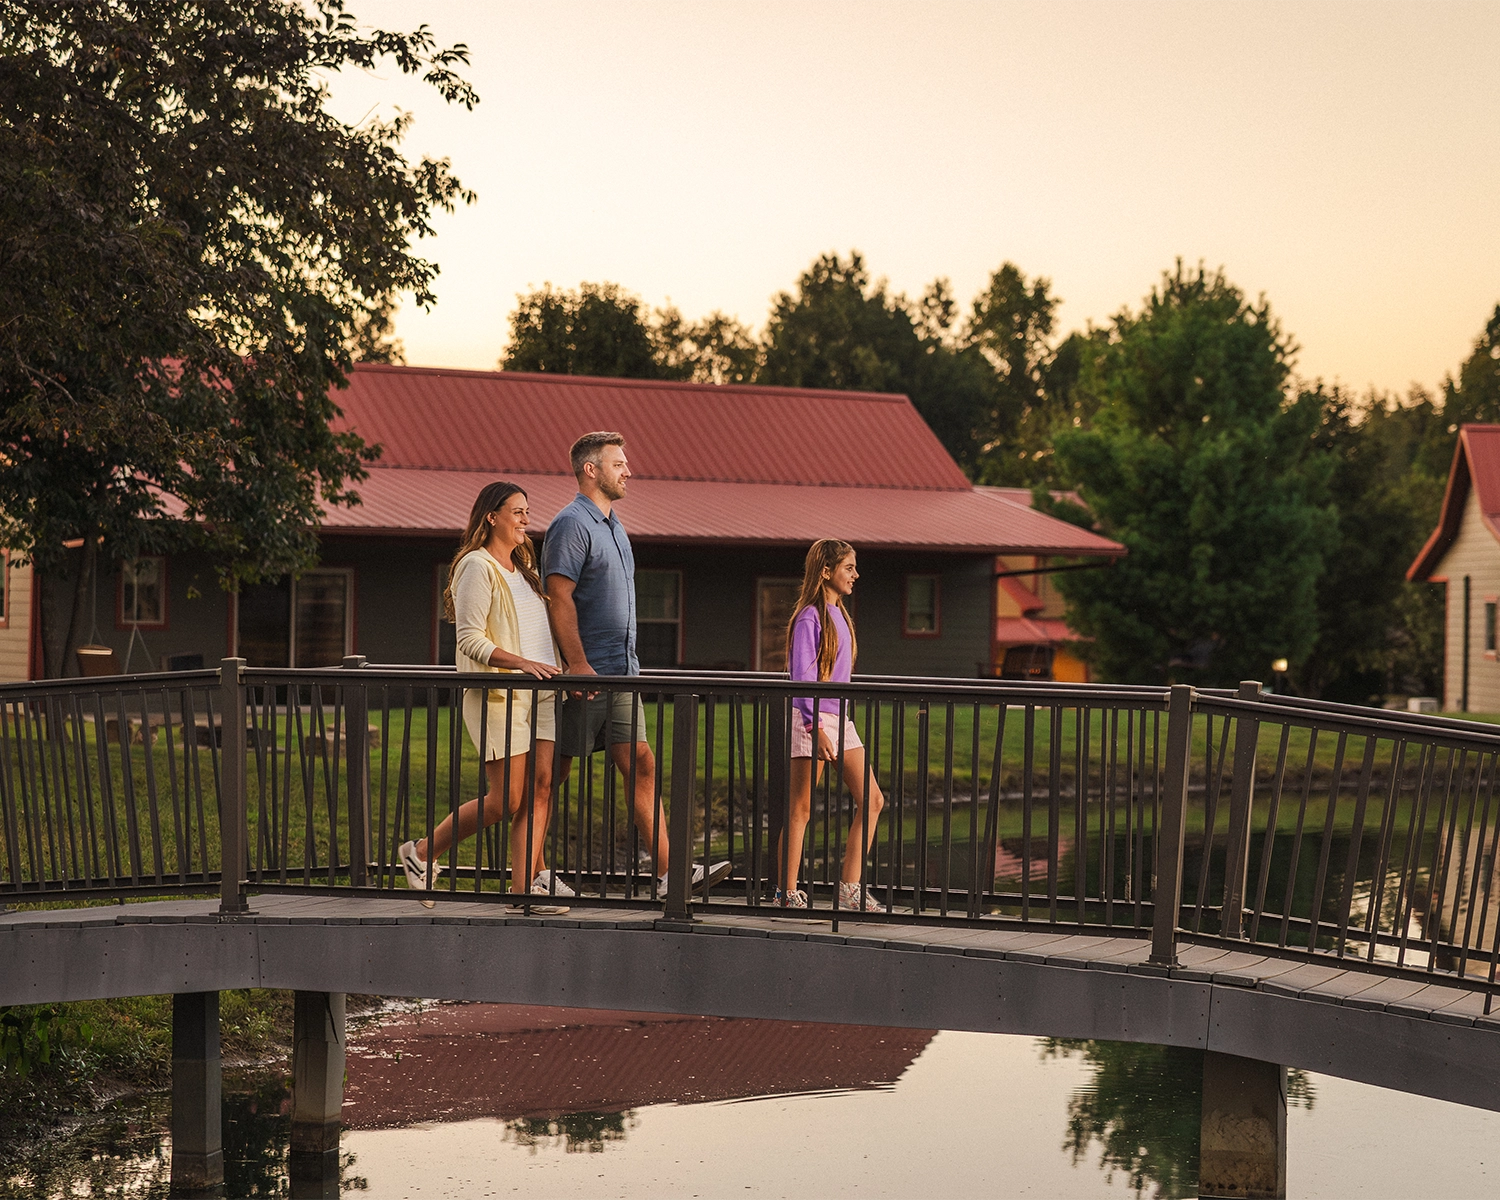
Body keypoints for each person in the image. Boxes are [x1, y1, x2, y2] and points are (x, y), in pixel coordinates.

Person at [543, 431, 731, 899]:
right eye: (619, 463)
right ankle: (531, 872)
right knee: (550, 776)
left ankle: (671, 874)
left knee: (641, 764)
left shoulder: (615, 527)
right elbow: (559, 596)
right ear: (592, 470)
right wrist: (577, 664)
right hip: (588, 677)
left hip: (623, 674)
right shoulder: (572, 523)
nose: (629, 471)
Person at [399, 481, 574, 914]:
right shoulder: (476, 566)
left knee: (541, 788)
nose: (525, 519)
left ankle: (524, 892)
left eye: (527, 512)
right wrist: (520, 664)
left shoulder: (524, 569)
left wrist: (559, 669)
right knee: (507, 799)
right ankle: (421, 852)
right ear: (491, 516)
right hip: (503, 694)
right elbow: (469, 639)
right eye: (516, 511)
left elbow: (537, 633)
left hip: (544, 693)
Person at [778, 539, 887, 912]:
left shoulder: (840, 614)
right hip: (813, 719)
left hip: (840, 719)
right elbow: (802, 679)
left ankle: (849, 890)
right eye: (849, 568)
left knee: (872, 800)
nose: (855, 575)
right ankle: (786, 893)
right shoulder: (810, 617)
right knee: (801, 809)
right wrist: (815, 728)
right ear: (826, 571)